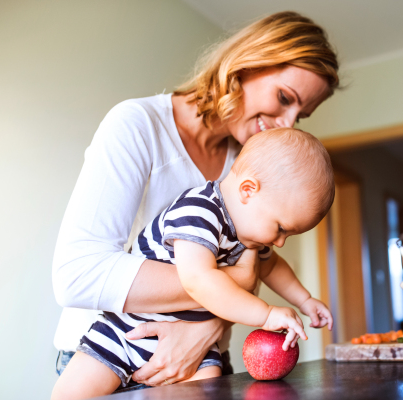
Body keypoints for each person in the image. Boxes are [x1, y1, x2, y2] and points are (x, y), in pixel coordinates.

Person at [51, 10, 339, 391]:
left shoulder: (252, 165)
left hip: (203, 357)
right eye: (284, 98)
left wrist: (204, 331)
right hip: (115, 347)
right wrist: (236, 279)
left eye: (299, 115)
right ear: (247, 64)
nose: (286, 122)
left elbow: (255, 273)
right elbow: (77, 275)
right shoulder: (138, 126)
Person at [52, 128, 335, 399]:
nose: (281, 241)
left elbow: (272, 267)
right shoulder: (199, 212)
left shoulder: (248, 236)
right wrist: (267, 315)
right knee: (71, 394)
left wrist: (305, 299)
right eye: (281, 228)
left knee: (210, 384)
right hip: (128, 331)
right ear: (248, 190)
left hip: (196, 348)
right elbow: (199, 280)